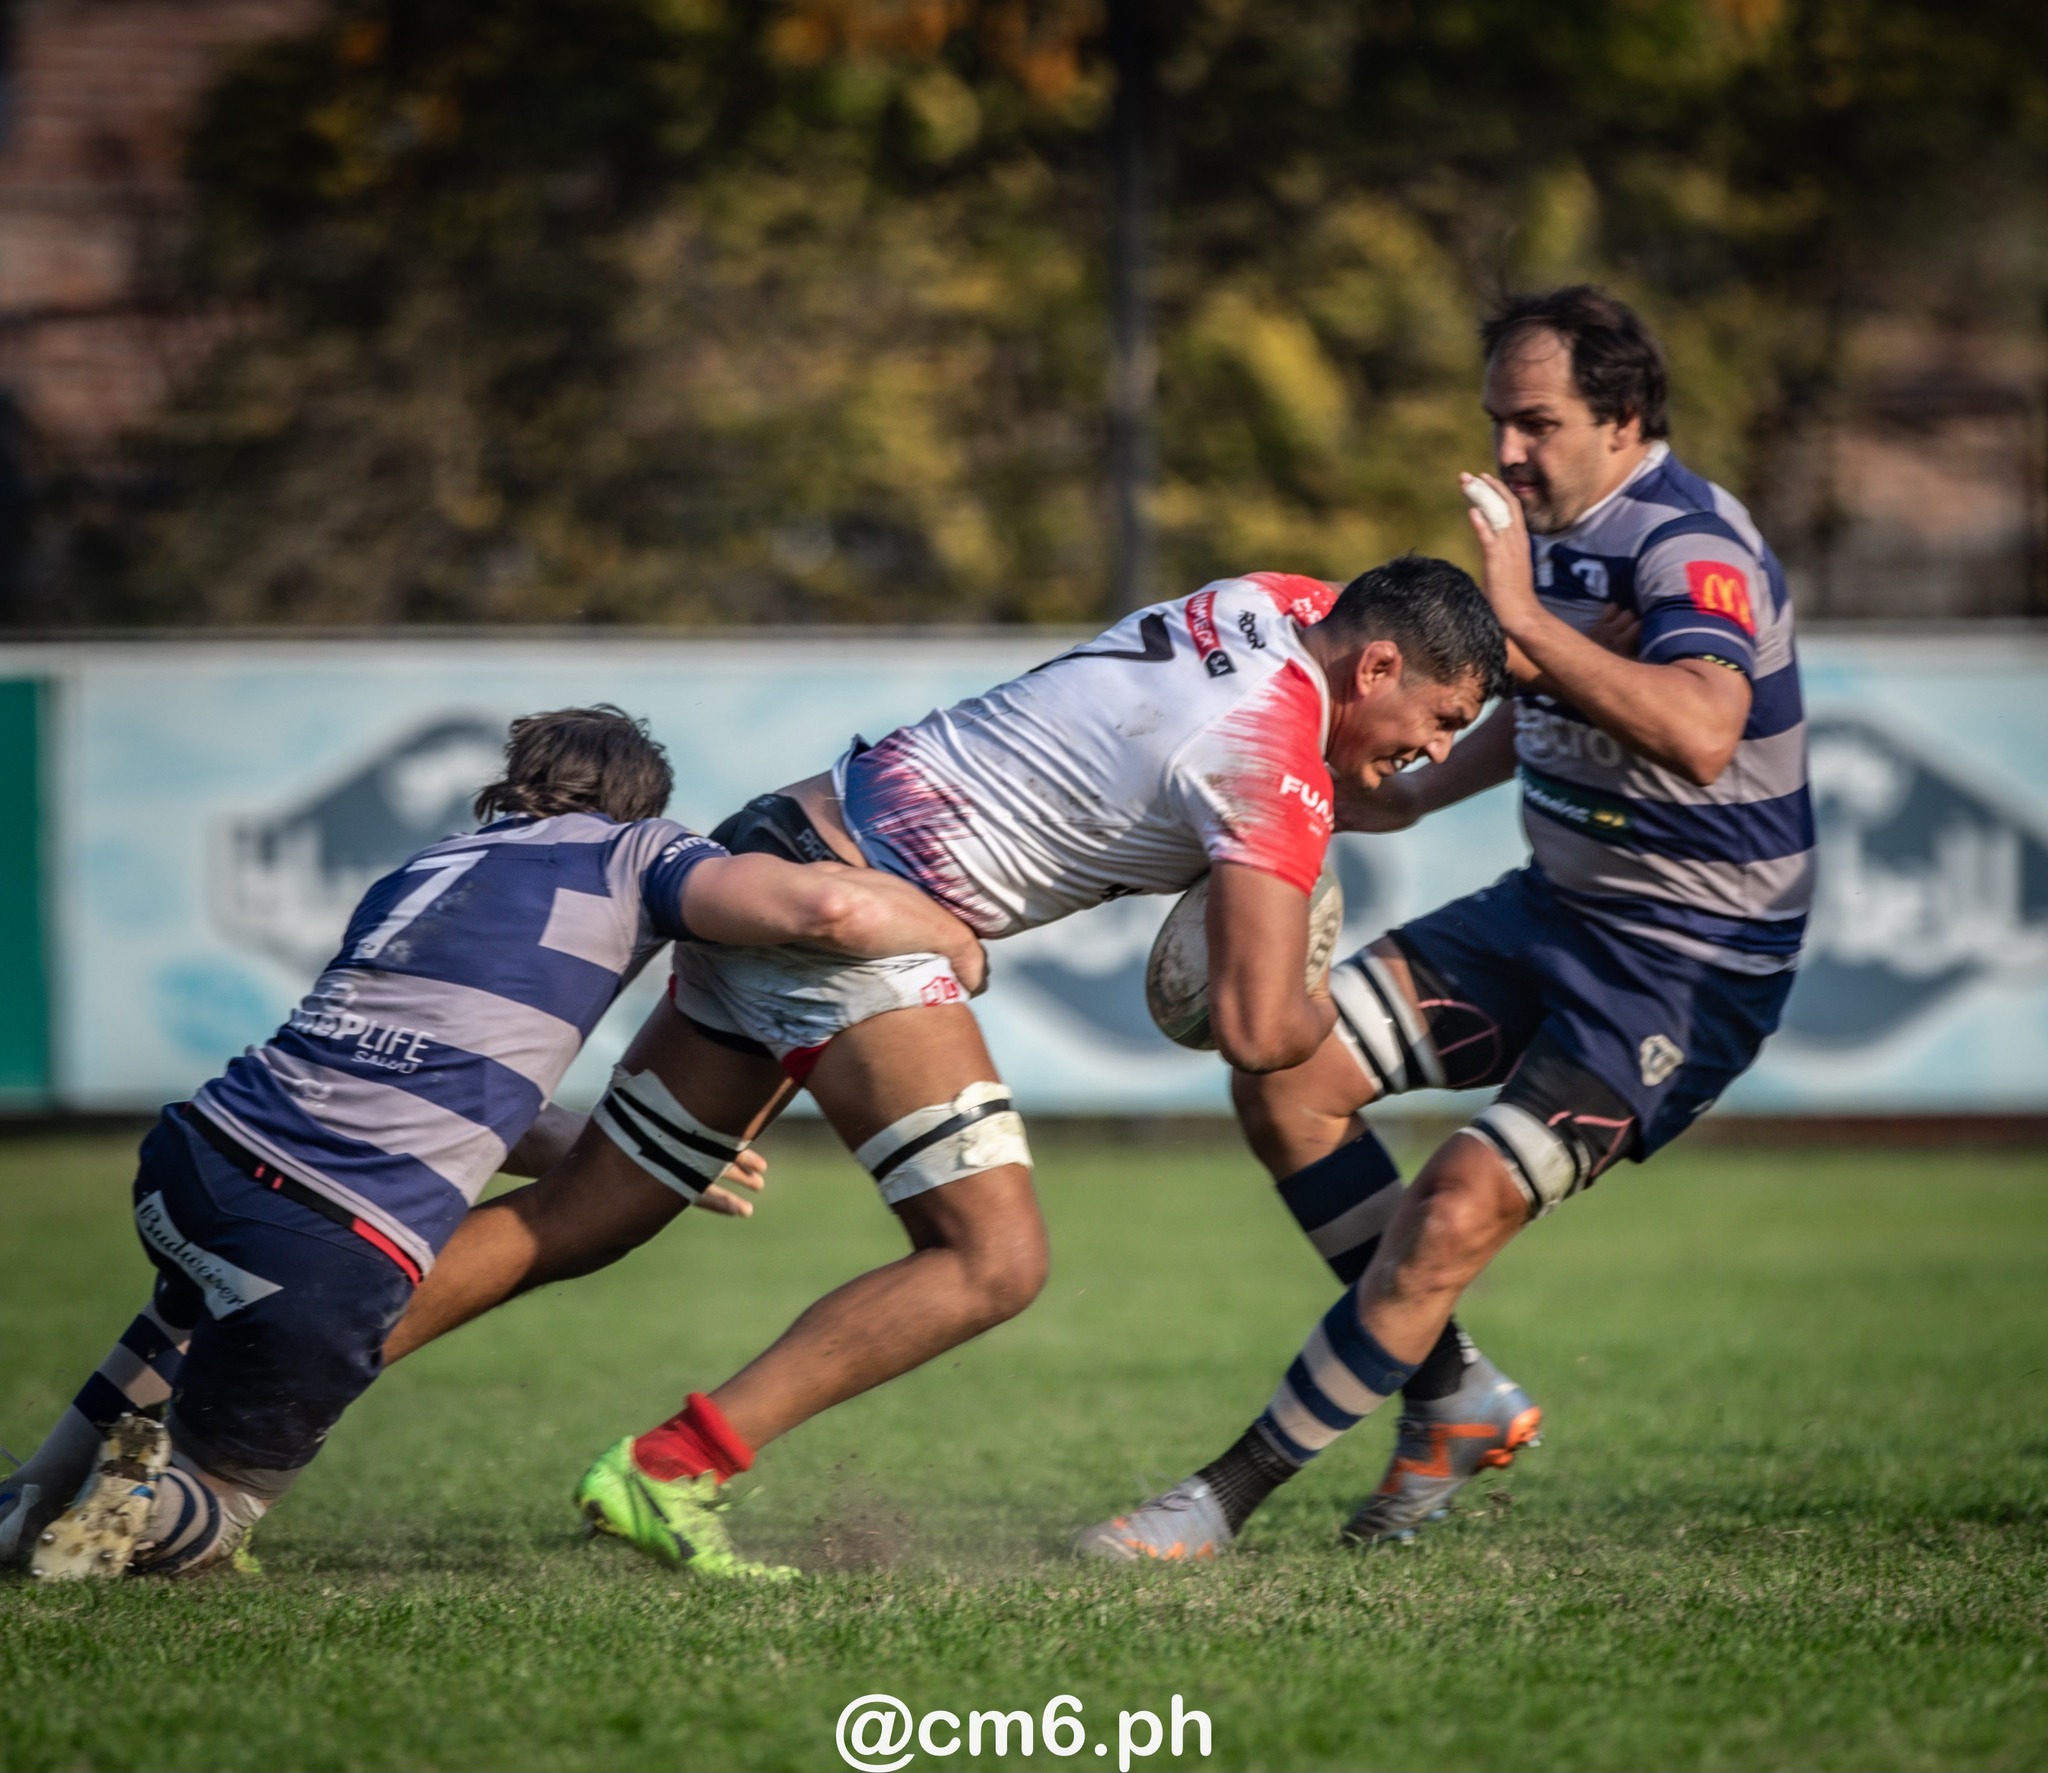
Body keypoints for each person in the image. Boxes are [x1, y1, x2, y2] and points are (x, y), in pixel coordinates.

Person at [373, 558, 1509, 1578]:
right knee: (991, 1261)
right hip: (850, 924)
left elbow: (1366, 783)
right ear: (1375, 664)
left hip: (780, 845)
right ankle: (670, 1467)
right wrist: (1316, 994)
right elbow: (1257, 1033)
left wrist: (1483, 731)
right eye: (1443, 717)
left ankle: (250, 1375)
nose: (1440, 749)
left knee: (583, 1210)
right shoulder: (1266, 761)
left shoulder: (1274, 601)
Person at [1077, 284, 1813, 1561]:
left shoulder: (1689, 547)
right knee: (1285, 1078)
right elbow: (1543, 699)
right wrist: (1411, 790)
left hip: (1685, 963)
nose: (1506, 452)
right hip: (1551, 911)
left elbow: (1697, 730)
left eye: (1534, 423)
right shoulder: (1558, 534)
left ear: (1623, 417)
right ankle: (1449, 1394)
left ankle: (1220, 1500)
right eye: (1495, 422)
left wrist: (1520, 619)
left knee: (1453, 1209)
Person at [1, 705, 985, 1579]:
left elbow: (442, 1084)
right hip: (322, 1233)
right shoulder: (636, 852)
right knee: (223, 1502)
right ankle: (152, 1505)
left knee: (182, 1315)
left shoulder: (424, 869)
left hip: (195, 1157)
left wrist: (633, 1157)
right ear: (639, 805)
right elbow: (826, 905)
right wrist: (948, 933)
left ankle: (27, 1502)